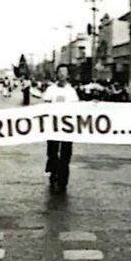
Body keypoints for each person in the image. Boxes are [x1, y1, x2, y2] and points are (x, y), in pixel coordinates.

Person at [43, 64, 80, 193]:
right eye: (60, 72)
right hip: (53, 127)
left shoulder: (71, 91)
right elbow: (45, 106)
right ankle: (53, 172)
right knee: (52, 152)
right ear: (57, 74)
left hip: (67, 128)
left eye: (65, 72)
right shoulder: (50, 90)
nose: (62, 74)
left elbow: (77, 108)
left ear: (68, 74)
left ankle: (63, 179)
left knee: (66, 153)